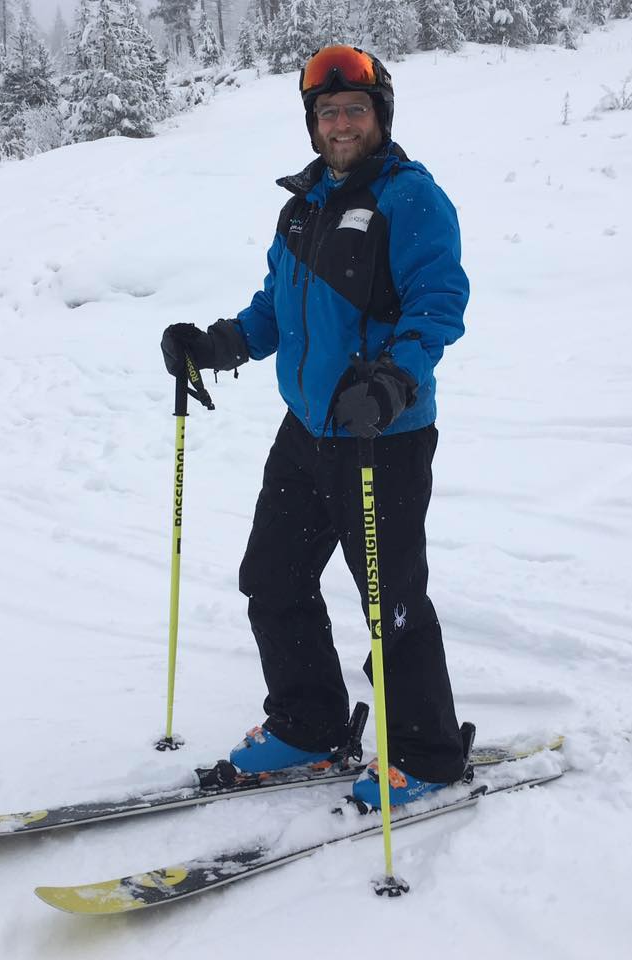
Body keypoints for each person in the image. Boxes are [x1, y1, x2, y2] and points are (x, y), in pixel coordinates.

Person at [160, 45, 470, 809]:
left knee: (390, 604)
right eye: (328, 112)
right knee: (273, 578)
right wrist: (215, 345)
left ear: (379, 116)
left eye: (354, 110)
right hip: (306, 431)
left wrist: (390, 382)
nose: (341, 124)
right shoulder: (301, 207)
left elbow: (438, 306)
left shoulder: (411, 199)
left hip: (381, 436)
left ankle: (428, 754)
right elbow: (276, 307)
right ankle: (309, 722)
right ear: (312, 123)